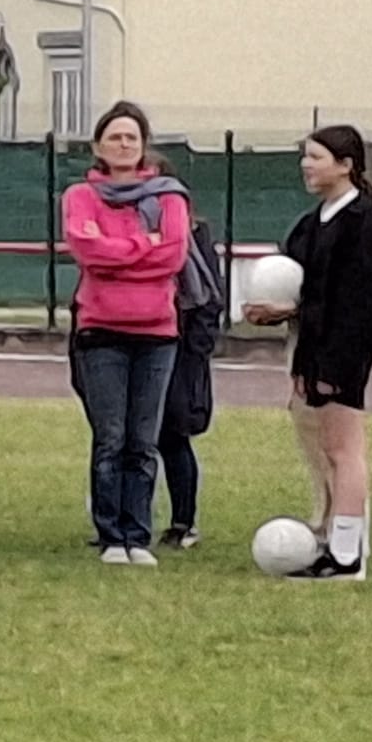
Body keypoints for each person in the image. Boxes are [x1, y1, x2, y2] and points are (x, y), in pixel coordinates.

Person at [245, 124, 372, 582]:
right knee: (328, 451)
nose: (306, 165)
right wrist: (274, 312)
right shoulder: (313, 222)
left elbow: (357, 300)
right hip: (313, 349)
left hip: (341, 352)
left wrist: (329, 360)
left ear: (346, 165)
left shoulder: (362, 221)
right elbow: (301, 286)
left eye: (316, 157)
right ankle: (332, 540)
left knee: (344, 450)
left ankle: (348, 556)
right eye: (305, 156)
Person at [63, 102, 193, 568]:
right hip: (101, 331)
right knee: (111, 437)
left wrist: (120, 252)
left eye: (131, 137)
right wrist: (143, 245)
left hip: (158, 333)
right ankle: (111, 535)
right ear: (98, 146)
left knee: (144, 439)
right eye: (115, 137)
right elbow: (89, 252)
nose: (123, 144)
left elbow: (172, 256)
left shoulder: (169, 198)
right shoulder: (80, 196)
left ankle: (138, 536)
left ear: (143, 145)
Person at [158, 188, 224, 551]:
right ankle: (121, 520)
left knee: (173, 434)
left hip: (181, 348)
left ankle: (183, 522)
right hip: (136, 339)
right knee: (120, 436)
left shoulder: (194, 237)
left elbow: (210, 299)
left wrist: (197, 350)